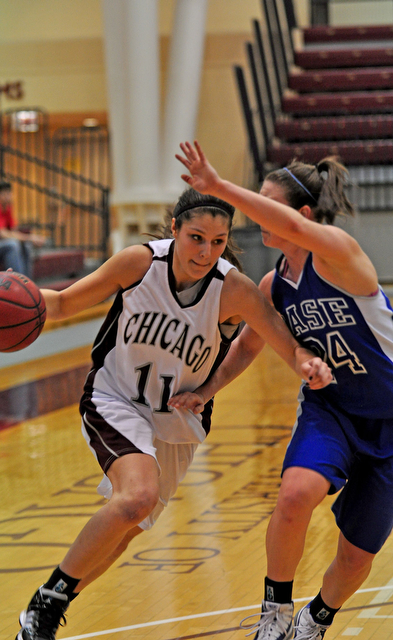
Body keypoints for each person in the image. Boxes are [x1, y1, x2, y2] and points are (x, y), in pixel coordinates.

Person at [15, 187, 331, 640]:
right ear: (175, 229)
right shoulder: (139, 264)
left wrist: (305, 364)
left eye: (218, 242)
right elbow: (64, 303)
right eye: (196, 237)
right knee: (136, 497)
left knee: (127, 528)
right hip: (115, 397)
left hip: (176, 418)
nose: (206, 252)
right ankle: (43, 607)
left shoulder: (232, 289)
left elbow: (276, 340)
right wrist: (16, 295)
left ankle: (50, 605)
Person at [173, 140, 393, 640]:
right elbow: (249, 347)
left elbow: (293, 230)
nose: (257, 215)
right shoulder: (276, 283)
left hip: (390, 418)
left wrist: (217, 186)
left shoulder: (339, 254)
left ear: (303, 214)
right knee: (295, 495)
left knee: (357, 556)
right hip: (332, 408)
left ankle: (316, 618)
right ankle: (274, 614)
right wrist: (206, 390)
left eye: (266, 204)